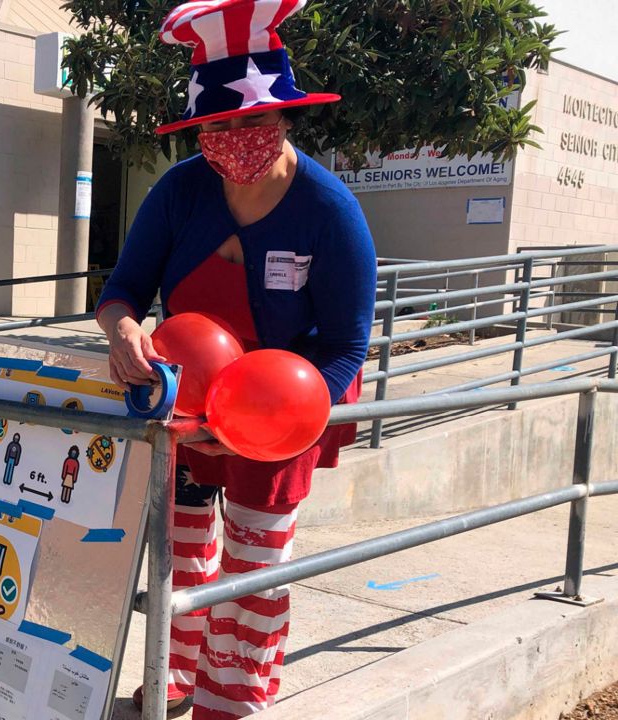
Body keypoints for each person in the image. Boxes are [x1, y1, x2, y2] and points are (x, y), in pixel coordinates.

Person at [95, 1, 376, 716]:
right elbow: (123, 289)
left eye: (253, 121)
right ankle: (178, 677)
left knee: (254, 569)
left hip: (280, 416)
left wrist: (277, 421)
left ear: (284, 116)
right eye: (218, 125)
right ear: (199, 127)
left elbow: (346, 345)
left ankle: (233, 699)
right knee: (181, 557)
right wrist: (122, 330)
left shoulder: (329, 210)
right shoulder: (180, 191)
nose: (235, 138)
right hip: (184, 410)